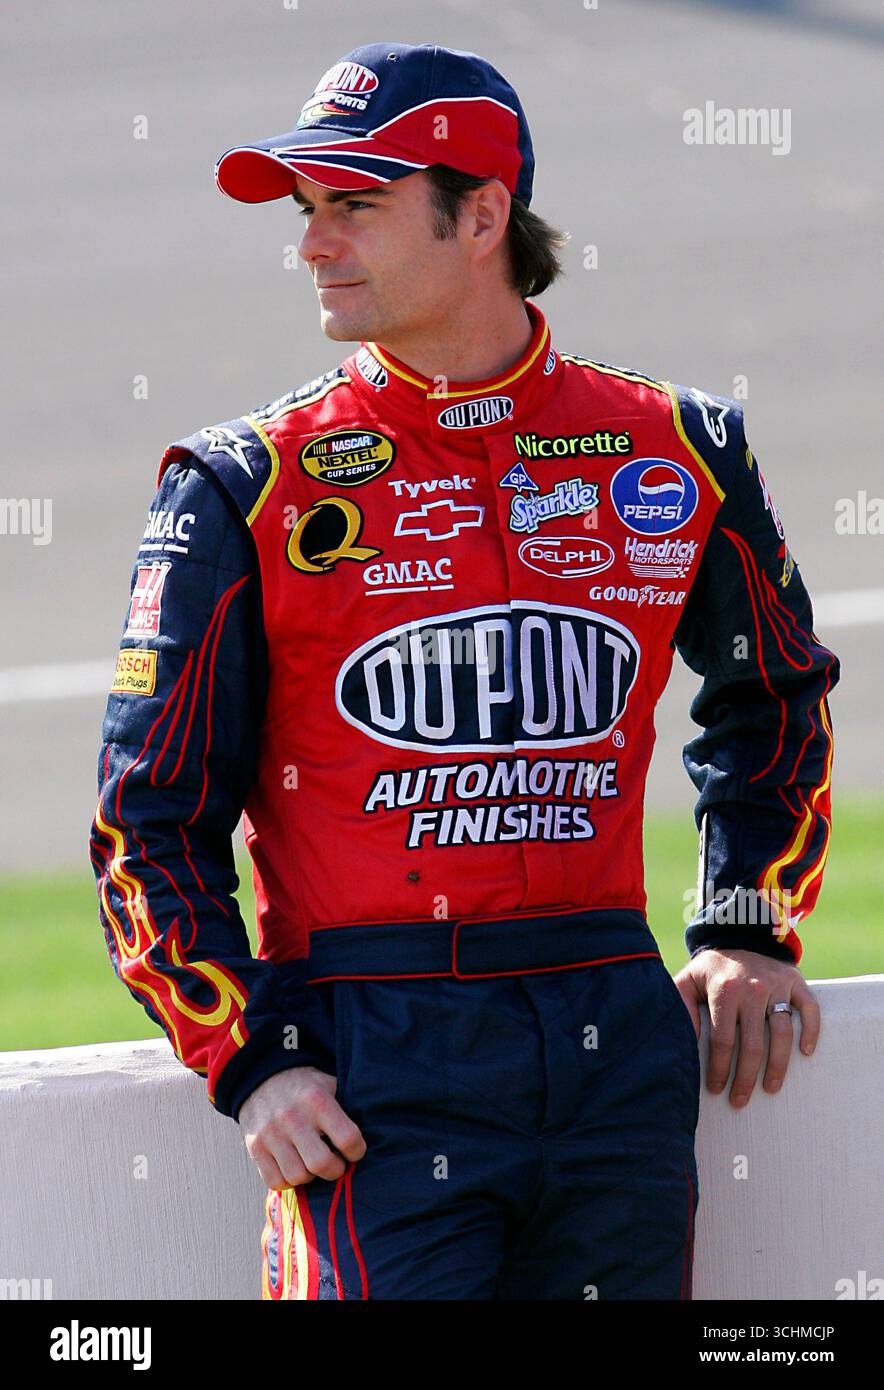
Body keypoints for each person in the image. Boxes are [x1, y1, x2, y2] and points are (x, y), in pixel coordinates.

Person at [90, 41, 840, 1301]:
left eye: (354, 205)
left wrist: (747, 920)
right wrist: (248, 1054)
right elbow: (142, 817)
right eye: (307, 210)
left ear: (482, 213)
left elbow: (771, 694)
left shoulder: (677, 447)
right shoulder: (244, 482)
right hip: (366, 1049)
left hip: (611, 1020)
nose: (314, 243)